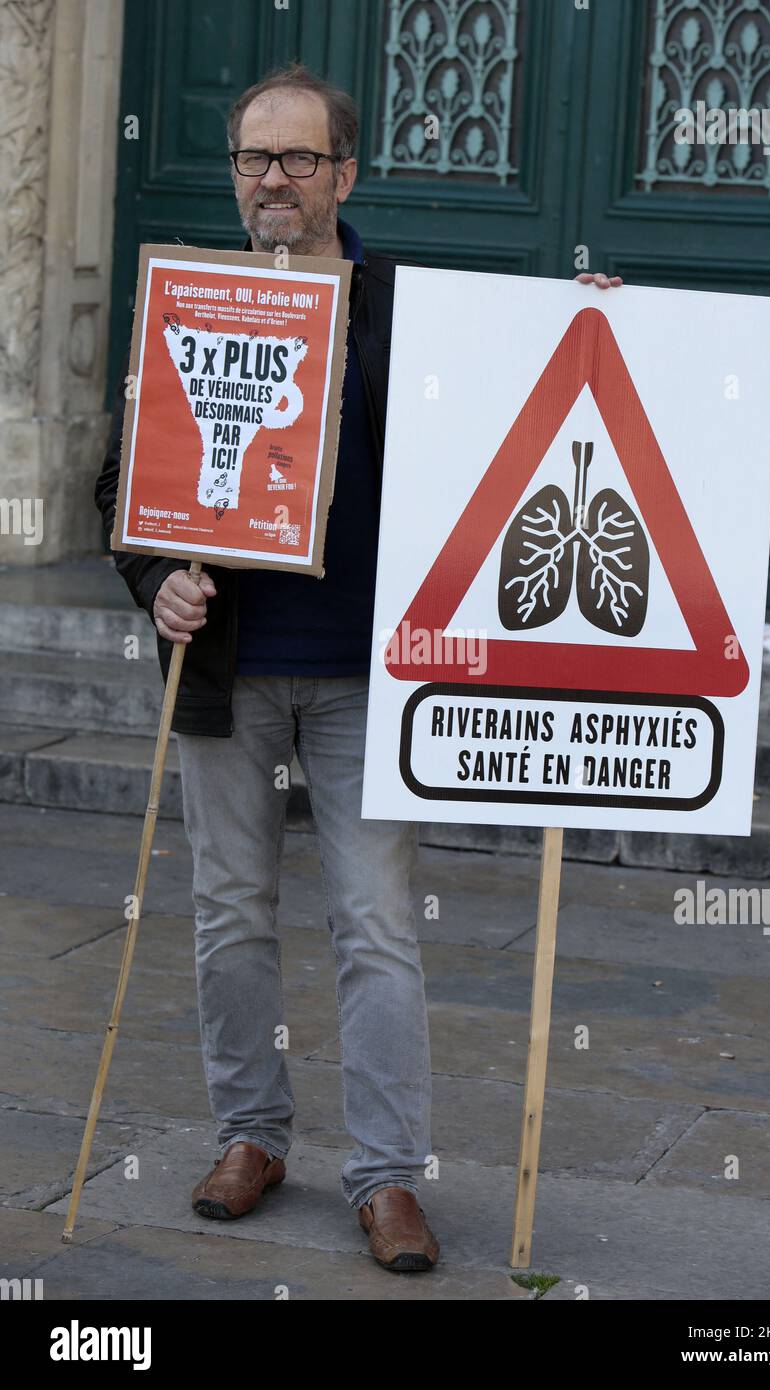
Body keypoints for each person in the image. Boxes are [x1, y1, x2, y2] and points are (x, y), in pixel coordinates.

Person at [94, 62, 621, 1276]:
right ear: (233, 176)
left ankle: (386, 1175)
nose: (271, 181)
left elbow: (532, 379)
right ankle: (251, 1137)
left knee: (377, 926)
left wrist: (593, 316)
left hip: (370, 676)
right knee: (228, 916)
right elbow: (123, 484)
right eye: (250, 159)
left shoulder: (415, 306)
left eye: (296, 158)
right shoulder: (191, 300)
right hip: (225, 668)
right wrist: (152, 579)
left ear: (343, 172)